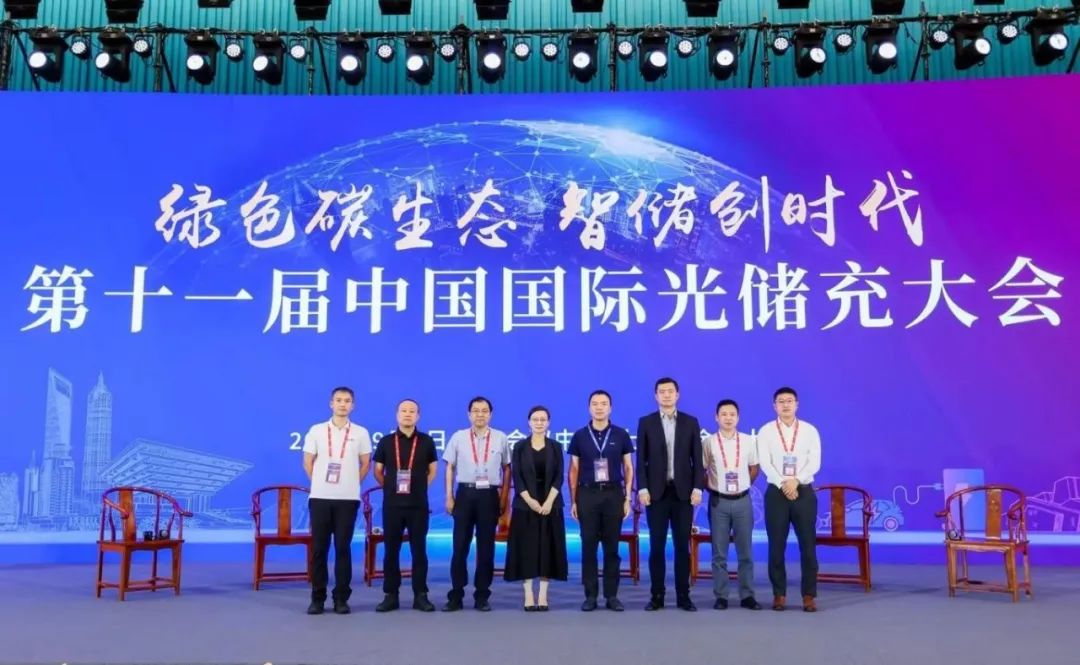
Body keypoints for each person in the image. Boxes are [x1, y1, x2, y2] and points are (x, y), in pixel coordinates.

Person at [636, 377, 705, 611]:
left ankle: (683, 595)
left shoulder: (690, 422)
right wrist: (642, 488)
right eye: (662, 391)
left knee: (681, 547)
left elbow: (697, 460)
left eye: (670, 391)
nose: (666, 395)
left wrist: (697, 488)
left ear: (677, 394)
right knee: (656, 547)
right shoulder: (646, 422)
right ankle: (657, 595)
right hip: (656, 494)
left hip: (683, 494)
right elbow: (641, 460)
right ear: (656, 396)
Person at [302, 386, 372, 615]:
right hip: (320, 498)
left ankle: (341, 598)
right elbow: (308, 462)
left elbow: (366, 464)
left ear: (353, 405)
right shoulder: (317, 430)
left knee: (343, 548)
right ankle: (317, 598)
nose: (343, 404)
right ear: (331, 403)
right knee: (319, 549)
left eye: (347, 400)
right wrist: (320, 483)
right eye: (339, 400)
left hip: (348, 499)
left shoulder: (360, 433)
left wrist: (351, 483)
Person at [442, 396, 511, 612]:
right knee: (459, 546)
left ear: (490, 414)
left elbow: (507, 469)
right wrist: (449, 496)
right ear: (469, 414)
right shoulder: (458, 437)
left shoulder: (500, 437)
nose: (480, 414)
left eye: (484, 411)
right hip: (465, 494)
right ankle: (456, 594)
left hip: (489, 496)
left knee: (486, 548)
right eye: (475, 410)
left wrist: (503, 498)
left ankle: (482, 595)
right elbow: (449, 467)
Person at [568, 389, 634, 612]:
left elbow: (628, 467)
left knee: (611, 548)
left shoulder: (621, 435)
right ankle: (590, 596)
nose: (599, 407)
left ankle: (612, 596)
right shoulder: (579, 436)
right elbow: (573, 470)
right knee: (588, 546)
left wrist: (627, 498)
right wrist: (574, 500)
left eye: (603, 403)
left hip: (613, 494)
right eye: (595, 403)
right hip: (587, 494)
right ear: (589, 408)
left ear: (610, 408)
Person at [757, 386, 822, 612]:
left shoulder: (809, 430)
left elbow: (814, 462)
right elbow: (765, 463)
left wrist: (796, 481)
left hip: (803, 491)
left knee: (808, 546)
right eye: (781, 401)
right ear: (774, 405)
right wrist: (784, 483)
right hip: (776, 492)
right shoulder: (766, 431)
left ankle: (809, 595)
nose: (786, 405)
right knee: (776, 546)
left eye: (790, 401)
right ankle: (779, 594)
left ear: (797, 404)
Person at [372, 399, 439, 612]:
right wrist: (390, 487)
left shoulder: (427, 441)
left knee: (419, 551)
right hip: (392, 505)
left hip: (418, 505)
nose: (408, 414)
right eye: (403, 411)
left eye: (412, 411)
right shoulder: (386, 441)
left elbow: (433, 470)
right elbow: (378, 471)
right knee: (391, 551)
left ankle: (421, 595)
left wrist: (419, 488)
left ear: (418, 416)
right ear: (397, 415)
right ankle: (391, 595)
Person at [505, 406, 568, 610]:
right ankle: (528, 595)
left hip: (551, 503)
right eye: (535, 419)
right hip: (525, 504)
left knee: (547, 548)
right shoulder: (520, 446)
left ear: (548, 423)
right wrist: (530, 501)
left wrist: (548, 502)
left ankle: (542, 595)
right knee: (527, 549)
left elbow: (559, 476)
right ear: (529, 422)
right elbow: (517, 477)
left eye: (543, 419)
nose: (539, 423)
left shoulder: (556, 446)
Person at [703, 399, 762, 610]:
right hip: (718, 501)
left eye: (732, 414)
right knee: (719, 553)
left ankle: (747, 595)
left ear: (738, 417)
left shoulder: (748, 441)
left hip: (742, 501)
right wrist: (713, 487)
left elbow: (754, 468)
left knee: (745, 552)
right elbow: (702, 470)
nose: (728, 418)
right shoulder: (708, 442)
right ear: (716, 417)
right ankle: (721, 596)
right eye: (724, 414)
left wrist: (742, 485)